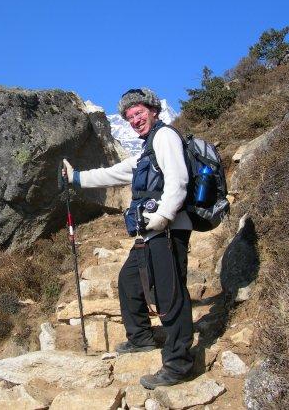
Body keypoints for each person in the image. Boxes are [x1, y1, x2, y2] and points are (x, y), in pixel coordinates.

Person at [63, 88, 194, 389]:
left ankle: (178, 364)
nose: (135, 119)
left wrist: (162, 217)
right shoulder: (146, 150)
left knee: (170, 294)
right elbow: (115, 173)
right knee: (129, 282)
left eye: (139, 113)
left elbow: (178, 181)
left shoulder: (165, 138)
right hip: (150, 233)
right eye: (129, 116)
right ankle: (142, 338)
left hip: (168, 229)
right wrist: (77, 178)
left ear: (154, 111)